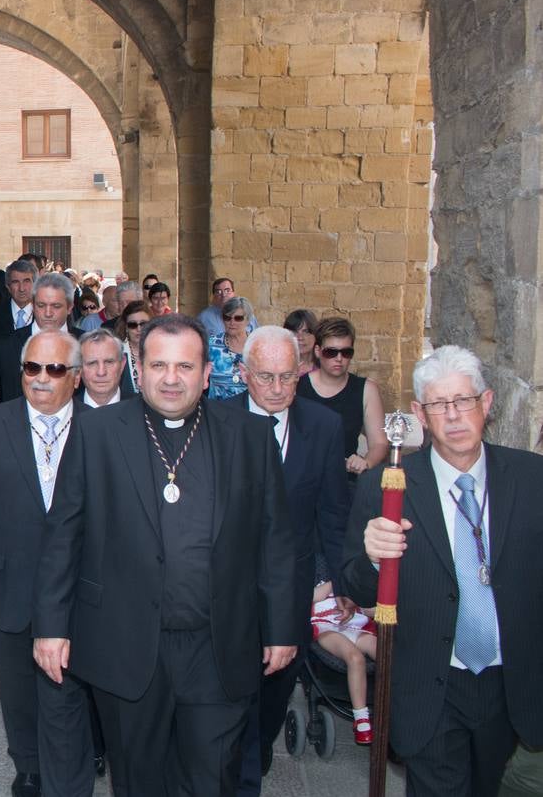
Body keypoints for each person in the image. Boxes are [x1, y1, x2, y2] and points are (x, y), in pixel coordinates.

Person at [34, 313, 300, 797]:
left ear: (205, 372)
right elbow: (63, 534)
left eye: (184, 366)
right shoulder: (97, 433)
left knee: (212, 778)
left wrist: (281, 626)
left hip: (217, 646)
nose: (171, 378)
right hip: (128, 642)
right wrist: (51, 626)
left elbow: (276, 541)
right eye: (159, 365)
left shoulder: (248, 437)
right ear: (139, 369)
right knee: (138, 780)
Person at [345, 345, 543, 797]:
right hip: (430, 683)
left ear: (486, 403)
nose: (453, 415)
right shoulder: (387, 484)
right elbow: (352, 583)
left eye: (464, 400)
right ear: (420, 413)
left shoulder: (532, 479)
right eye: (438, 404)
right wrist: (373, 557)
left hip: (511, 684)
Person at [0, 330, 95, 797]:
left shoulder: (102, 428)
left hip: (79, 589)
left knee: (68, 688)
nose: (42, 379)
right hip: (3, 585)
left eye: (54, 369)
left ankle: (70, 772)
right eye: (32, 368)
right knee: (17, 686)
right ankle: (27, 763)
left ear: (77, 377)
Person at [228, 326, 349, 793]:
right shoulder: (218, 421)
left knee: (277, 687)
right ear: (243, 374)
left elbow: (334, 513)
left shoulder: (323, 427)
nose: (277, 389)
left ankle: (256, 748)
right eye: (265, 377)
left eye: (287, 377)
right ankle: (241, 768)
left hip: (292, 587)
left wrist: (341, 583)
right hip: (231, 586)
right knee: (235, 690)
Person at [297, 316, 389, 480]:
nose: (339, 358)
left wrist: (365, 462)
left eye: (346, 352)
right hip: (303, 477)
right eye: (331, 352)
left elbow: (379, 443)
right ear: (318, 351)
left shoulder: (366, 389)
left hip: (345, 480)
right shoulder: (298, 387)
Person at [0, 272, 79, 410]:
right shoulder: (5, 345)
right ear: (33, 306)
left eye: (56, 306)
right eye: (41, 305)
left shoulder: (85, 345)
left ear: (70, 307)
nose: (48, 313)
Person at [309, 580, 376, 744]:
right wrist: (336, 582)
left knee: (385, 654)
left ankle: (395, 706)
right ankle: (361, 720)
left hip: (357, 627)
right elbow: (310, 596)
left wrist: (357, 602)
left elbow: (374, 610)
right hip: (327, 627)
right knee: (355, 658)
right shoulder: (326, 579)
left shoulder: (358, 580)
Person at [207, 296, 253, 401]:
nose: (232, 322)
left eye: (238, 318)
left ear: (248, 320)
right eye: (227, 318)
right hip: (218, 409)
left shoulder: (257, 345)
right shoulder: (212, 344)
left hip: (250, 411)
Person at [77, 328, 135, 408]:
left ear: (122, 364)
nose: (101, 372)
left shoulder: (143, 409)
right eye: (92, 363)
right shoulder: (67, 413)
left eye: (109, 362)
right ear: (79, 368)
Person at [115, 300, 151, 396]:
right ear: (126, 327)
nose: (139, 329)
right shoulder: (117, 352)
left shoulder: (161, 351)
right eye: (132, 325)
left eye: (143, 324)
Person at [283, 308, 319, 375]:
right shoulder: (279, 367)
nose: (300, 337)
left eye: (306, 332)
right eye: (294, 332)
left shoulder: (324, 367)